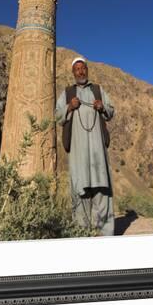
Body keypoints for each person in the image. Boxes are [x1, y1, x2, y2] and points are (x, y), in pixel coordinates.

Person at [55, 57, 115, 236]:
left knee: (102, 191)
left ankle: (107, 236)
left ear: (87, 70)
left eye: (83, 68)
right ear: (73, 73)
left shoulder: (98, 90)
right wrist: (69, 107)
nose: (80, 72)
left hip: (98, 152)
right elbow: (57, 116)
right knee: (81, 192)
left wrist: (102, 107)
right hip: (78, 153)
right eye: (77, 69)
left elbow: (111, 112)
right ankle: (82, 236)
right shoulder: (67, 93)